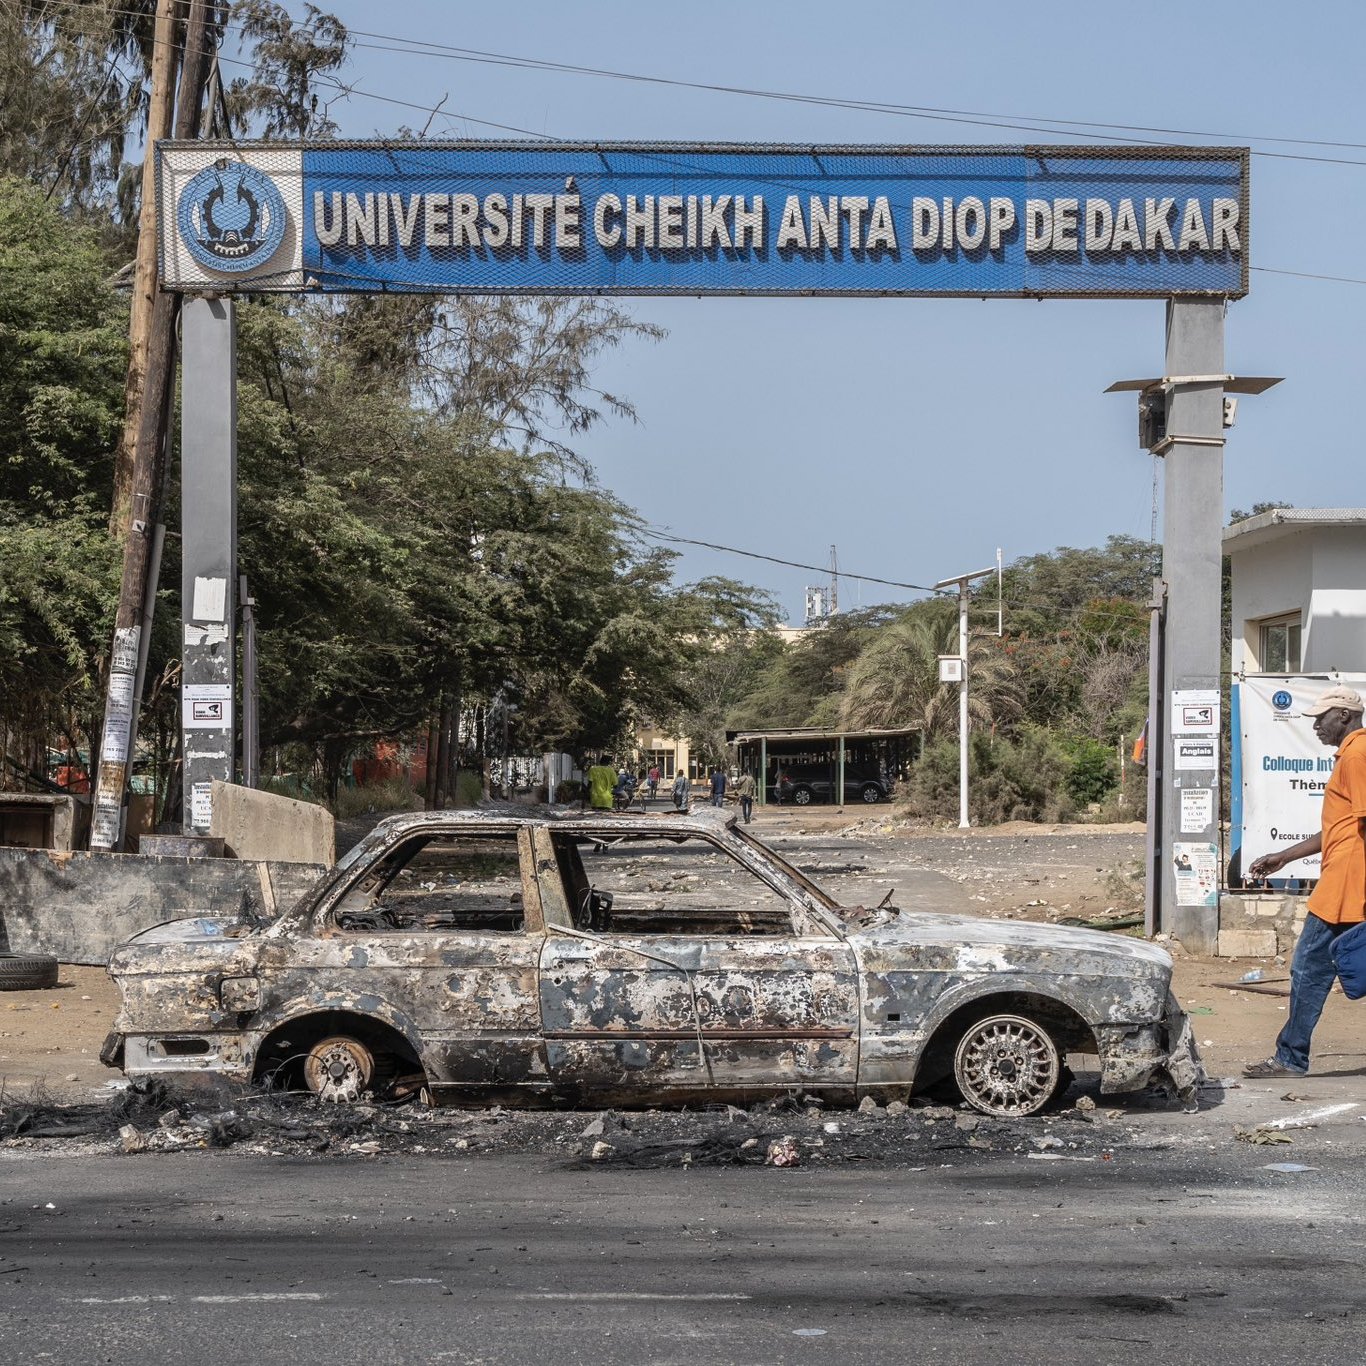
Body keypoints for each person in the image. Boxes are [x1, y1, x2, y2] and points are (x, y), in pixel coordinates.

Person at [1243, 685, 1366, 1079]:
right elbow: (1338, 828)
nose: (1315, 726)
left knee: (1309, 969)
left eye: (1320, 718)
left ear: (1344, 715)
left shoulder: (1357, 755)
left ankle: (1290, 1058)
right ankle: (1290, 1056)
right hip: (1345, 884)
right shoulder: (1351, 755)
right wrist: (1285, 856)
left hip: (1345, 887)